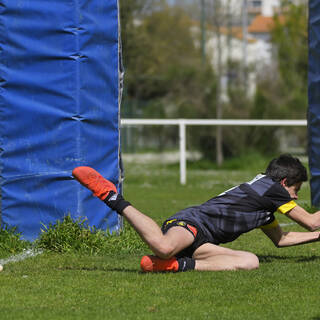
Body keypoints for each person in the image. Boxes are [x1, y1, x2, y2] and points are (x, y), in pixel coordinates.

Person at [72, 154, 320, 273]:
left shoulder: (266, 205)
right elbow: (310, 222)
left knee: (250, 261)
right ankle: (113, 197)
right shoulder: (272, 188)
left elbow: (282, 240)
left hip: (205, 242)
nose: (296, 196)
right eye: (295, 190)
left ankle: (174, 266)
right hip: (193, 223)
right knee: (163, 245)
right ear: (285, 182)